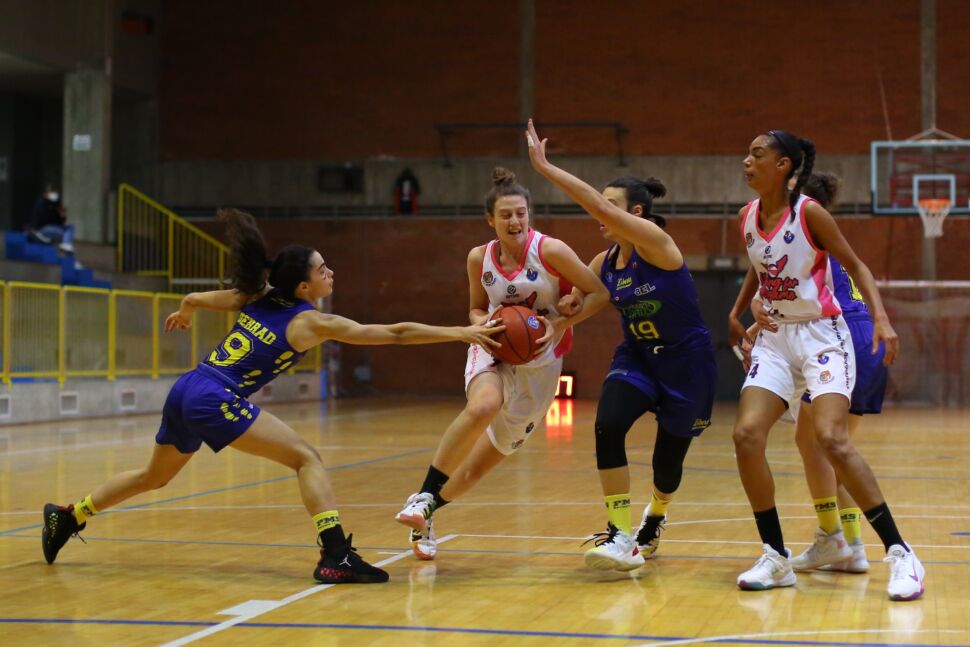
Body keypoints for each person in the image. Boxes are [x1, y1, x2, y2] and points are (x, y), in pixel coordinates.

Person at [41, 208, 504, 584]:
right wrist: (460, 332)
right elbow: (395, 334)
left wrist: (185, 310)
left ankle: (69, 515)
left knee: (153, 476)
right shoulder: (309, 322)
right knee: (307, 458)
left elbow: (199, 300)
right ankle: (335, 555)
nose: (330, 272)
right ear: (304, 287)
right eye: (322, 269)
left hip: (188, 387)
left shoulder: (257, 296)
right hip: (214, 396)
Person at [727, 130, 924, 601]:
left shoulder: (810, 213)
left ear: (783, 166)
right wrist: (738, 310)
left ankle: (900, 552)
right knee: (746, 434)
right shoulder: (746, 217)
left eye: (757, 154)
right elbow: (761, 264)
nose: (746, 161)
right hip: (776, 338)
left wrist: (881, 318)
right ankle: (775, 556)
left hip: (822, 335)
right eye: (747, 153)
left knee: (830, 438)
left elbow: (857, 266)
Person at [525, 119, 717, 571]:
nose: (601, 215)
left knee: (666, 466)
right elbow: (589, 298)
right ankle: (620, 535)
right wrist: (564, 313)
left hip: (687, 364)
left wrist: (546, 168)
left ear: (637, 213)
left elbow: (593, 203)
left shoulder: (658, 245)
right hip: (638, 358)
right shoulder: (605, 261)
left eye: (612, 207)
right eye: (604, 206)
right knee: (608, 424)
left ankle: (655, 517)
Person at [394, 166, 610, 560]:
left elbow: (598, 293)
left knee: (475, 470)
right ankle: (423, 494)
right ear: (490, 220)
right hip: (493, 346)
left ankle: (428, 512)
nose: (515, 221)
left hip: (540, 364)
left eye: (521, 213)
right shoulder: (479, 258)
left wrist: (562, 322)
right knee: (484, 406)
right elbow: (476, 308)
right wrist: (484, 323)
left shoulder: (551, 251)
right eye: (506, 215)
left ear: (530, 215)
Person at [740, 172, 887, 575]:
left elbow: (801, 302)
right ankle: (849, 545)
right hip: (864, 341)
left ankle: (840, 539)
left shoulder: (803, 238)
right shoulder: (819, 242)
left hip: (839, 337)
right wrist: (754, 322)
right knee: (824, 445)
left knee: (822, 445)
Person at [28, 186, 75, 254]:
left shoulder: (53, 204)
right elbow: (45, 220)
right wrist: (55, 215)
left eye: (55, 192)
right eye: (52, 192)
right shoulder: (41, 203)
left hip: (52, 226)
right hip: (42, 228)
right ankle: (65, 244)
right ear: (45, 194)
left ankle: (66, 244)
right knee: (64, 234)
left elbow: (59, 222)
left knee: (71, 228)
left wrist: (62, 216)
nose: (54, 195)